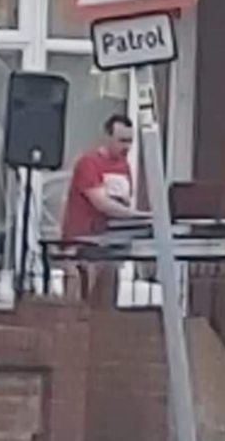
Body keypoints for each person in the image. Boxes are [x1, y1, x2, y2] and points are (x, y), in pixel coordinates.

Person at [61, 114, 148, 305]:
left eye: (130, 141)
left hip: (110, 245)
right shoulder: (88, 163)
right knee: (77, 304)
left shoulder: (124, 166)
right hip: (83, 243)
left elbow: (123, 201)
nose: (126, 147)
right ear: (107, 138)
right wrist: (138, 216)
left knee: (106, 303)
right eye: (122, 141)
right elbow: (101, 203)